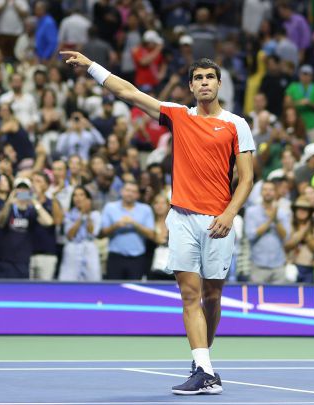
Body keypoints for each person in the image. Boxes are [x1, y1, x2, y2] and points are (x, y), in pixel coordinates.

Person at [63, 51, 255, 395]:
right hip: (181, 216)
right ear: (191, 86)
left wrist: (229, 214)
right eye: (198, 78)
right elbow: (128, 92)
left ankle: (204, 364)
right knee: (189, 293)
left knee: (212, 295)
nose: (204, 83)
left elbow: (246, 179)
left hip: (219, 221)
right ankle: (204, 369)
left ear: (219, 83)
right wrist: (91, 65)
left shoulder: (236, 124)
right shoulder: (178, 115)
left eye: (210, 77)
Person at [0, 178, 54, 278]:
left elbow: (49, 222)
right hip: (4, 259)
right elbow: (0, 223)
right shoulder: (8, 208)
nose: (22, 192)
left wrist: (35, 201)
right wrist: (9, 202)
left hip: (23, 259)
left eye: (25, 189)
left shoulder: (31, 210)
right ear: (14, 191)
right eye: (19, 189)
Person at [245, 180, 291, 284]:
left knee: (278, 299)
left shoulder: (282, 213)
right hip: (258, 265)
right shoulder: (251, 212)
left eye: (271, 190)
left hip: (278, 265)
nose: (268, 192)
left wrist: (276, 220)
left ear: (275, 192)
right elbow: (251, 235)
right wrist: (270, 220)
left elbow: (286, 237)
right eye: (265, 189)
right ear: (261, 192)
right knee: (256, 298)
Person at [58, 186, 102, 281]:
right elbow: (70, 234)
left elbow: (92, 233)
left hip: (89, 248)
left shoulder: (95, 215)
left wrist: (87, 214)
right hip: (72, 248)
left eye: (81, 195)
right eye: (75, 195)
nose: (78, 198)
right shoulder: (68, 215)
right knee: (68, 280)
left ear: (87, 198)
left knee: (93, 279)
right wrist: (81, 216)